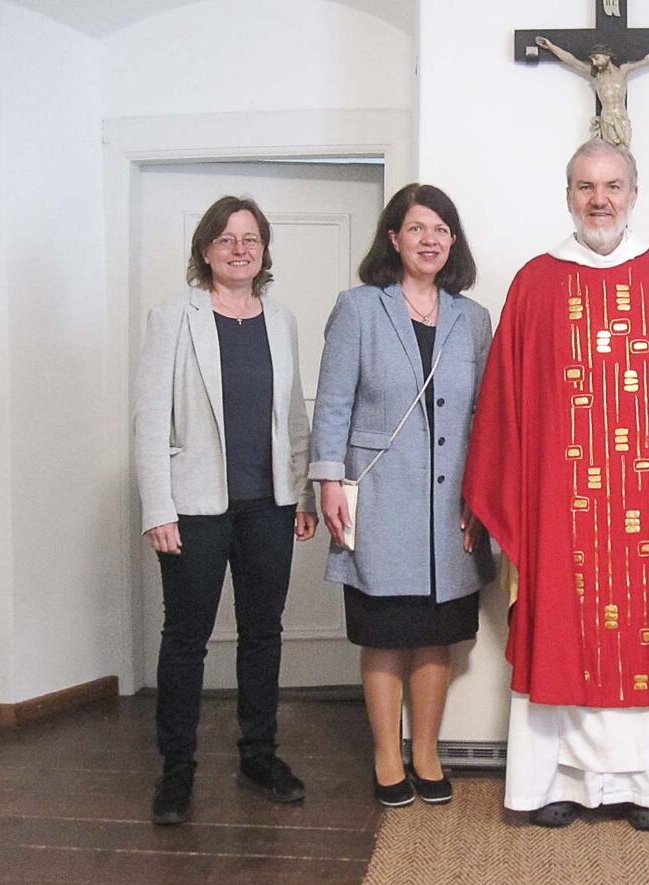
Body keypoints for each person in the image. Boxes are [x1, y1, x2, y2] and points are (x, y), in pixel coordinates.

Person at [464, 139, 649, 831]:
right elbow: (504, 406)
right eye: (586, 186)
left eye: (613, 185)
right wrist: (506, 495)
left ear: (634, 193)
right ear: (568, 196)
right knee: (561, 630)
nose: (600, 200)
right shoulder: (535, 283)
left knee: (645, 637)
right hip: (560, 512)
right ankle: (552, 783)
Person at [134, 195, 318, 826]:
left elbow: (293, 415)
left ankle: (259, 755)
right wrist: (158, 508)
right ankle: (176, 769)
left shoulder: (281, 320)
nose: (240, 250)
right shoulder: (173, 318)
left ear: (263, 250)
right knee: (186, 639)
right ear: (206, 250)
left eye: (251, 239)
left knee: (264, 633)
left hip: (269, 506)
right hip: (194, 508)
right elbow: (150, 419)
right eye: (227, 239)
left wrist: (302, 492)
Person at [308, 184, 492, 808]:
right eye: (417, 228)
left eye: (441, 229)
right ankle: (388, 756)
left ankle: (427, 752)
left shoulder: (473, 319)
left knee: (437, 631)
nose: (429, 240)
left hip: (452, 504)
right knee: (385, 631)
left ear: (453, 241)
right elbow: (333, 402)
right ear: (394, 238)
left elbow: (485, 415)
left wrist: (482, 493)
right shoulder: (359, 308)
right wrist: (328, 481)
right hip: (380, 495)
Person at [534, 35, 649, 147]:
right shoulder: (596, 76)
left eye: (596, 58)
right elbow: (572, 60)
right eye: (592, 60)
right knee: (610, 157)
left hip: (622, 120)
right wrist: (551, 46)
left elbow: (648, 60)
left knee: (624, 156)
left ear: (607, 56)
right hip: (607, 120)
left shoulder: (623, 71)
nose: (594, 62)